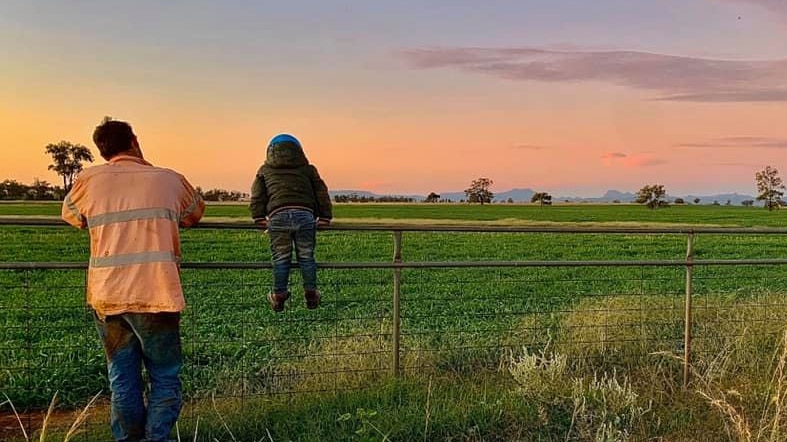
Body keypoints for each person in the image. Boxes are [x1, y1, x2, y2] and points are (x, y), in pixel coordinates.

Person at [61, 118, 204, 442]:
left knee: (122, 378)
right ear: (135, 140)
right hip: (158, 294)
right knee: (165, 376)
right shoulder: (169, 179)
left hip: (108, 296)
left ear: (102, 150)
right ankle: (157, 438)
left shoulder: (88, 180)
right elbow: (194, 214)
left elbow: (70, 216)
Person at [250, 134, 332, 312]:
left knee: (280, 258)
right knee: (306, 256)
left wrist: (258, 217)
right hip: (305, 215)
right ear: (300, 151)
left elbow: (257, 195)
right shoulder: (308, 169)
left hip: (277, 216)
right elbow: (321, 192)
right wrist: (325, 217)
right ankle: (310, 291)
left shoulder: (264, 170)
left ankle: (279, 294)